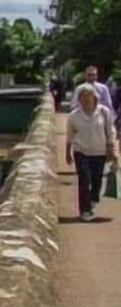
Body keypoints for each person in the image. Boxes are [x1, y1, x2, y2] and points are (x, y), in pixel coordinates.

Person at [66, 83, 117, 221]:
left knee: (96, 180)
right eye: (82, 97)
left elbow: (110, 130)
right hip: (81, 151)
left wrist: (111, 147)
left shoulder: (104, 112)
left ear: (95, 97)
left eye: (88, 96)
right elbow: (69, 135)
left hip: (99, 151)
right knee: (84, 179)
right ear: (79, 99)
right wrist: (67, 152)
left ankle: (94, 198)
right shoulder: (74, 115)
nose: (85, 99)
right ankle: (85, 210)